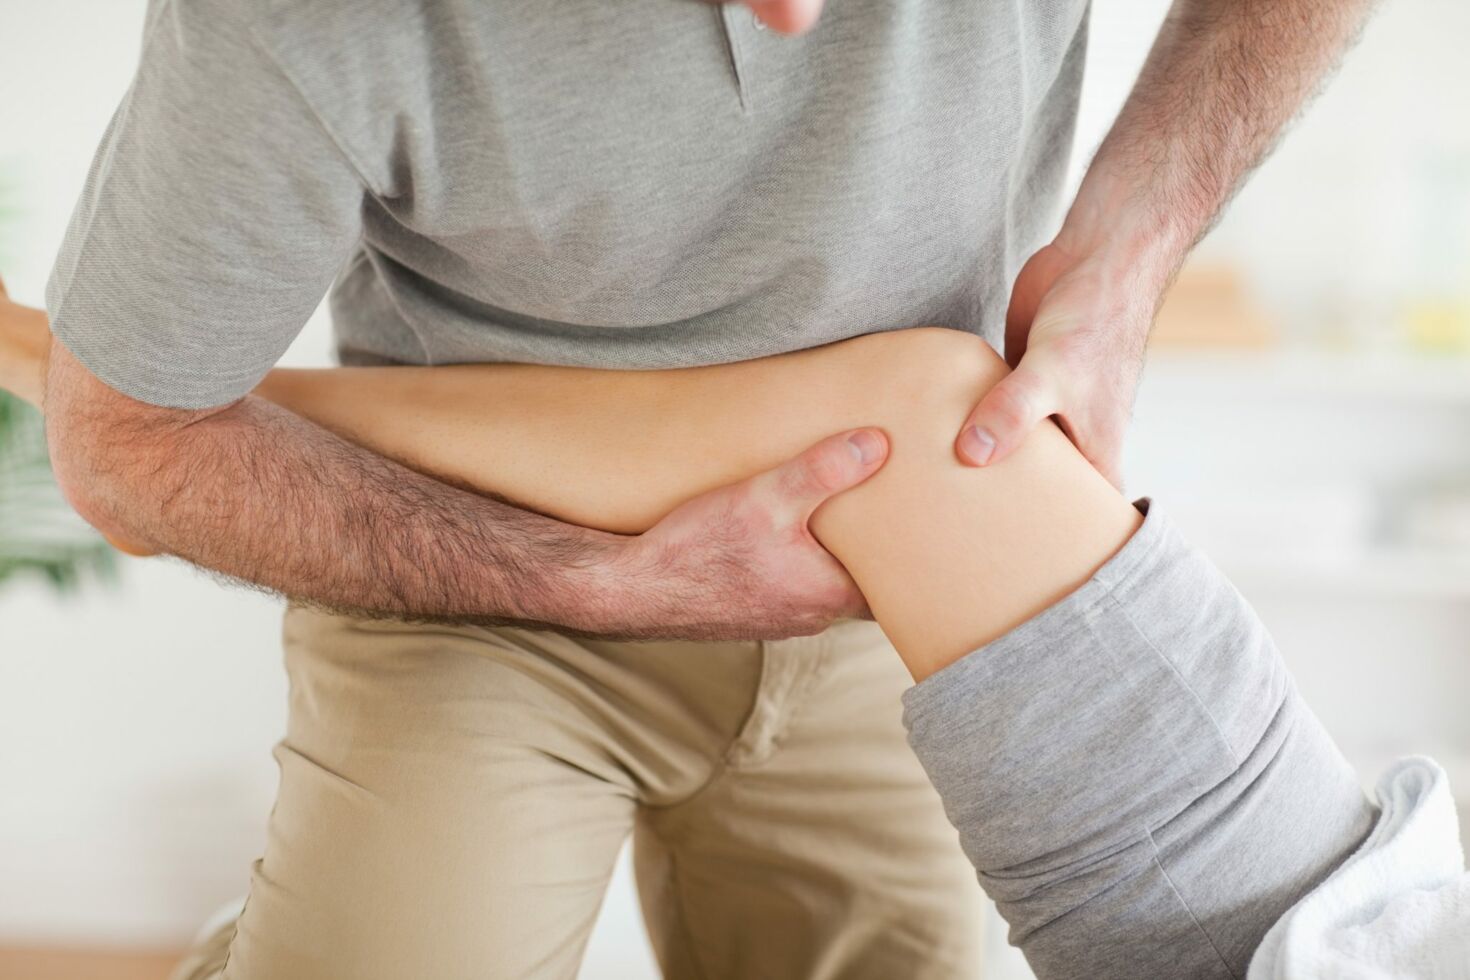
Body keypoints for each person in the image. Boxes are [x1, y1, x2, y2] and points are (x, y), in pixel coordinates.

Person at [27, 0, 1378, 975]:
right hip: (466, 586)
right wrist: (594, 583)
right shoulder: (289, 24)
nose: (794, 20)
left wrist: (1134, 241)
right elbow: (129, 445)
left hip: (895, 596)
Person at [0, 293, 1391, 979]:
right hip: (481, 609)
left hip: (852, 611)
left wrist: (171, 420)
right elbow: (918, 428)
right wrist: (146, 421)